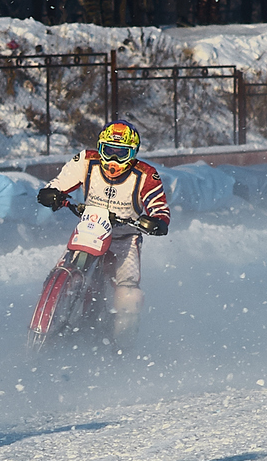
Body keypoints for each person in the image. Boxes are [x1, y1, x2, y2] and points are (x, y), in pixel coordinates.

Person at [35, 120, 170, 344]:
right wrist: (53, 192)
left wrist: (157, 221)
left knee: (128, 292)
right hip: (90, 227)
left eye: (122, 153)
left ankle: (122, 347)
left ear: (133, 154)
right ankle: (48, 312)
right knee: (58, 270)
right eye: (109, 151)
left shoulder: (146, 175)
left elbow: (159, 207)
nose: (114, 160)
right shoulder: (87, 161)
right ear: (99, 148)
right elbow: (61, 181)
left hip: (125, 238)